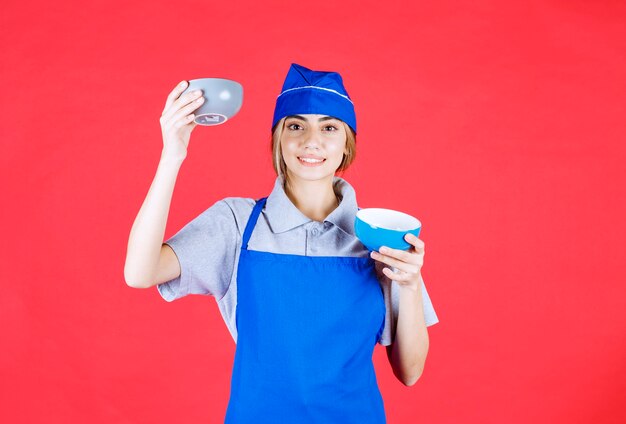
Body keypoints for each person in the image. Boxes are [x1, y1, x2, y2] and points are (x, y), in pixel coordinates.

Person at [124, 63, 439, 423]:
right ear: (278, 139)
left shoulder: (377, 235)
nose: (311, 141)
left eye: (329, 127)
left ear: (346, 144)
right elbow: (140, 273)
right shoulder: (237, 223)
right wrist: (172, 156)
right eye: (295, 126)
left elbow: (410, 373)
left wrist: (411, 285)